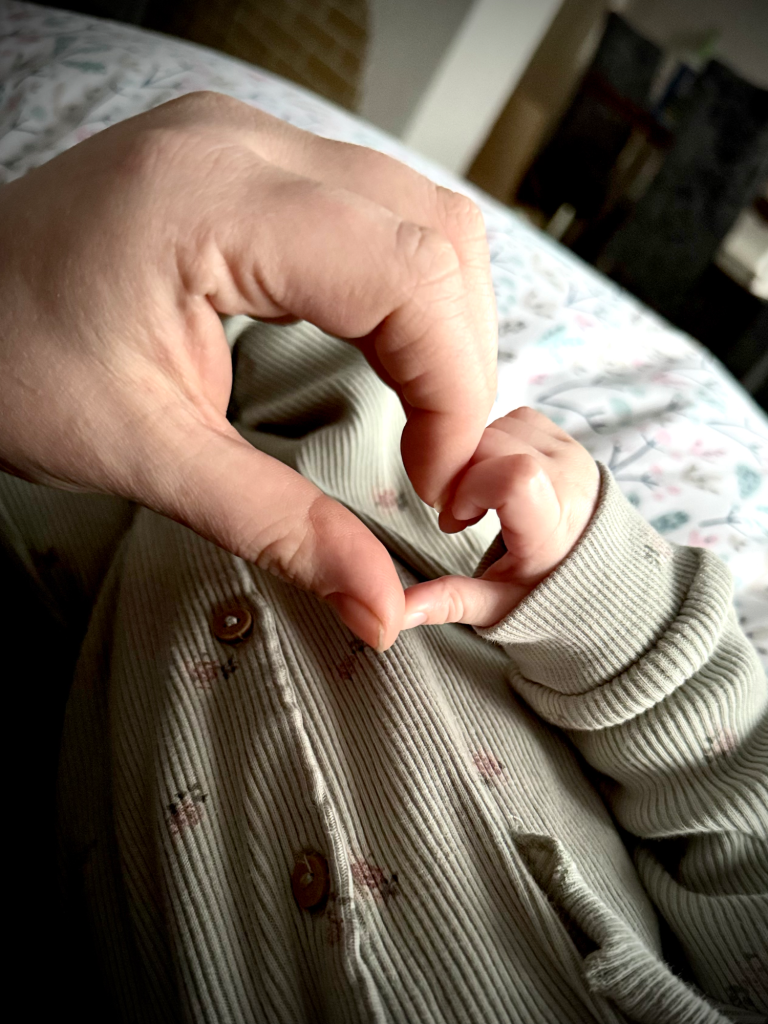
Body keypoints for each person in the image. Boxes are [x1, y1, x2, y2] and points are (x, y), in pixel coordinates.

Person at [0, 93, 765, 1024]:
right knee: (320, 319)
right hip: (406, 535)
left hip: (88, 659)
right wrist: (600, 599)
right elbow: (740, 804)